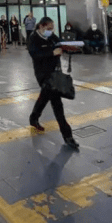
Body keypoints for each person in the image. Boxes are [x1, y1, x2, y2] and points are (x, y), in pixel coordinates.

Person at [28, 17, 79, 150]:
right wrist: (51, 52)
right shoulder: (33, 38)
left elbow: (60, 44)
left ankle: (33, 118)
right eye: (48, 29)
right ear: (41, 27)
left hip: (55, 73)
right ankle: (68, 136)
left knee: (45, 97)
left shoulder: (52, 37)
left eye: (52, 29)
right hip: (43, 75)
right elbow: (35, 55)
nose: (51, 31)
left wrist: (69, 48)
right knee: (57, 104)